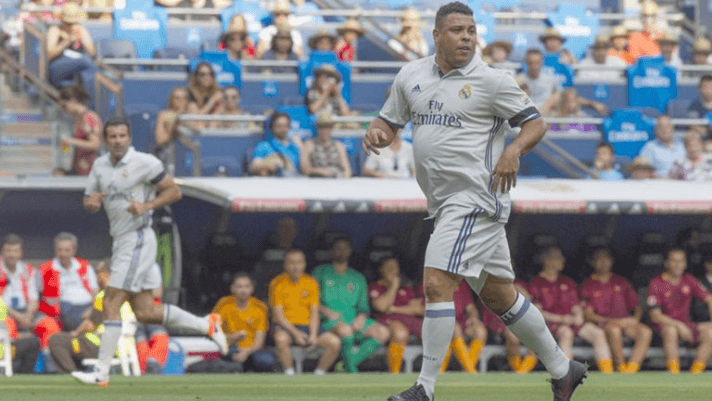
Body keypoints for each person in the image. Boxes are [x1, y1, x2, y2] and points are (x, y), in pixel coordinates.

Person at [363, 3, 587, 400]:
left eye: (471, 30)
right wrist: (377, 132)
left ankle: (424, 388)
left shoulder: (492, 80)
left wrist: (513, 150)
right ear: (436, 35)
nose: (466, 37)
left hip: (475, 198)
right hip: (444, 203)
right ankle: (562, 369)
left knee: (436, 283)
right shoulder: (411, 75)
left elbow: (535, 123)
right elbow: (388, 121)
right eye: (457, 30)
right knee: (500, 296)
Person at [72, 116, 228, 386]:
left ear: (129, 138)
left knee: (110, 301)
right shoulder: (99, 166)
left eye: (122, 136)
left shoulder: (145, 163)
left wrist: (147, 206)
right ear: (106, 140)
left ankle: (101, 373)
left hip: (138, 237)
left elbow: (174, 191)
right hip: (120, 239)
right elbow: (89, 201)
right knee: (145, 312)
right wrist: (92, 204)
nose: (118, 141)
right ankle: (207, 325)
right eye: (113, 137)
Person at [528, 246, 613, 374]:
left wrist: (578, 316)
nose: (562, 260)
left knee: (598, 333)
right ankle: (567, 373)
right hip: (550, 323)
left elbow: (575, 305)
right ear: (546, 260)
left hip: (571, 321)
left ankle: (608, 372)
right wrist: (562, 319)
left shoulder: (567, 281)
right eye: (558, 258)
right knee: (566, 333)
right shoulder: (536, 282)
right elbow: (537, 311)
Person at [312, 237, 391, 373]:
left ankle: (346, 364)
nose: (342, 251)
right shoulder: (320, 272)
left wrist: (361, 318)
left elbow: (363, 308)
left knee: (383, 332)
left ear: (350, 251)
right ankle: (352, 371)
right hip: (329, 321)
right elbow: (310, 301)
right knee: (345, 331)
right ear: (331, 251)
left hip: (353, 319)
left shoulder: (358, 277)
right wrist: (327, 312)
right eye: (338, 248)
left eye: (345, 248)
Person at [48, 259, 134, 373]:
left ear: (104, 274)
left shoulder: (104, 295)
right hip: (124, 347)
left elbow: (90, 325)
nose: (96, 276)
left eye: (97, 272)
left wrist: (75, 333)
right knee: (73, 342)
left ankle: (72, 374)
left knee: (57, 340)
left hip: (100, 347)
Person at [580, 247, 652, 373]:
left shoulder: (621, 282)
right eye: (599, 259)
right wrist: (613, 321)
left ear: (612, 261)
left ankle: (632, 369)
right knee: (614, 331)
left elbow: (637, 307)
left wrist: (635, 319)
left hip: (625, 323)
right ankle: (621, 367)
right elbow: (588, 315)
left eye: (606, 259)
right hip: (604, 324)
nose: (603, 262)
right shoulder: (587, 285)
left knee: (646, 331)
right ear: (592, 262)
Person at [269, 249, 341, 375]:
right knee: (281, 339)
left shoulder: (311, 282)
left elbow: (314, 312)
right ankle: (290, 375)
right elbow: (278, 316)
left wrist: (313, 335)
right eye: (292, 263)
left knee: (334, 342)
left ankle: (318, 374)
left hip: (307, 326)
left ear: (304, 264)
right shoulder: (277, 283)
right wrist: (296, 334)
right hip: (286, 327)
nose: (296, 267)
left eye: (299, 262)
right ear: (285, 265)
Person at [0, 234, 62, 373]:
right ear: (2, 252)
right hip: (5, 313)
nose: (12, 254)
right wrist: (20, 317)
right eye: (8, 251)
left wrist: (28, 316)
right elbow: (1, 304)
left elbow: (34, 299)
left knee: (49, 325)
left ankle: (51, 367)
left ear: (21, 252)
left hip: (27, 312)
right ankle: (9, 367)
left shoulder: (28, 270)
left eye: (15, 251)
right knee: (7, 326)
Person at [647, 248, 712, 374]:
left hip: (686, 325)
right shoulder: (656, 283)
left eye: (681, 261)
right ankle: (674, 373)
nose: (678, 265)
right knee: (671, 331)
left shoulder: (689, 280)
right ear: (666, 263)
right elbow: (655, 316)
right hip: (662, 327)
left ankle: (695, 372)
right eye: (674, 261)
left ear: (685, 263)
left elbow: (709, 299)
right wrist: (679, 325)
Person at [369, 258, 424, 374]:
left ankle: (440, 374)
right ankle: (394, 373)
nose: (392, 270)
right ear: (381, 269)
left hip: (414, 323)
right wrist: (393, 286)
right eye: (389, 267)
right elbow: (381, 307)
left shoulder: (406, 288)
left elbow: (419, 310)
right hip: (389, 323)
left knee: (438, 331)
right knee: (400, 333)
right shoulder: (375, 287)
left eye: (395, 267)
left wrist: (395, 309)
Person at [212, 273, 277, 372]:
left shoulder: (259, 307)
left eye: (247, 286)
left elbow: (259, 342)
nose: (243, 290)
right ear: (232, 289)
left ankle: (244, 367)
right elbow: (212, 332)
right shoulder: (223, 304)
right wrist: (232, 337)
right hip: (231, 347)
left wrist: (246, 352)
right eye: (239, 287)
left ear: (252, 289)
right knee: (228, 351)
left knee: (267, 360)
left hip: (252, 350)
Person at [37, 232, 99, 333]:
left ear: (74, 250)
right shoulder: (44, 269)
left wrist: (93, 310)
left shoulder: (84, 266)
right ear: (55, 250)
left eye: (67, 250)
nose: (63, 254)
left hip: (87, 306)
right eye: (60, 250)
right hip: (61, 311)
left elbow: (95, 291)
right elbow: (37, 295)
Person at [419, 279, 484, 374]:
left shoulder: (462, 285)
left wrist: (473, 317)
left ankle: (467, 370)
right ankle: (470, 371)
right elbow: (424, 308)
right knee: (454, 327)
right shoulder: (432, 282)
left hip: (461, 322)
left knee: (480, 331)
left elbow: (470, 307)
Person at [479, 276, 538, 374]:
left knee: (536, 339)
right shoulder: (489, 284)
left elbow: (530, 306)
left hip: (522, 321)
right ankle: (519, 372)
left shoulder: (519, 284)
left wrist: (523, 293)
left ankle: (521, 373)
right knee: (513, 337)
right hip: (501, 322)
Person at [46, 2, 97, 88]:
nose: (71, 26)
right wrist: (67, 41)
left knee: (89, 64)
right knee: (86, 62)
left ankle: (88, 91)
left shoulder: (81, 30)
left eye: (74, 23)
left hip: (79, 66)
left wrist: (83, 39)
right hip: (58, 66)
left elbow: (92, 53)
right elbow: (49, 55)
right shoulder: (55, 30)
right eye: (68, 23)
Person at [56, 83, 102, 176]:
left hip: (89, 169)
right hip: (79, 167)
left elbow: (95, 144)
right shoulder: (78, 119)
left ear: (73, 101)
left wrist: (71, 141)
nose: (63, 109)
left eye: (64, 106)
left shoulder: (89, 117)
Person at [154, 87, 196, 173]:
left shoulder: (193, 113)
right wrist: (174, 125)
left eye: (184, 97)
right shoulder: (164, 115)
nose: (180, 100)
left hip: (191, 155)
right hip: (169, 155)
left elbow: (198, 132)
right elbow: (160, 140)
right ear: (171, 99)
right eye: (177, 97)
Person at [300, 113, 352, 178]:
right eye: (321, 127)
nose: (324, 130)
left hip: (338, 179)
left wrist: (344, 178)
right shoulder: (309, 145)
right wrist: (320, 171)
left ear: (331, 128)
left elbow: (347, 170)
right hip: (317, 179)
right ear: (317, 128)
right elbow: (305, 169)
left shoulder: (338, 146)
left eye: (327, 127)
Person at [249, 112, 300, 177]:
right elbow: (254, 166)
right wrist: (269, 165)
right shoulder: (264, 146)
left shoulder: (295, 147)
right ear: (273, 127)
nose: (283, 129)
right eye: (279, 126)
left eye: (286, 126)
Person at [0, 298, 40, 374]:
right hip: (4, 350)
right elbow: (8, 336)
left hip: (5, 343)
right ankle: (24, 375)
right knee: (32, 342)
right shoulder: (1, 305)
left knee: (28, 340)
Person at [517, 49, 561, 115]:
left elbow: (557, 96)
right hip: (526, 115)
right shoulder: (519, 80)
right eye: (531, 63)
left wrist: (543, 110)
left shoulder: (550, 79)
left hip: (547, 115)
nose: (534, 66)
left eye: (537, 63)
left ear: (541, 62)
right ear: (526, 62)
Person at [186, 62, 225, 129]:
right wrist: (212, 101)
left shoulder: (219, 92)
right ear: (196, 76)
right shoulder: (190, 93)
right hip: (196, 126)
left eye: (210, 74)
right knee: (192, 107)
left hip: (212, 126)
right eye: (202, 74)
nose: (207, 77)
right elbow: (197, 118)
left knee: (219, 110)